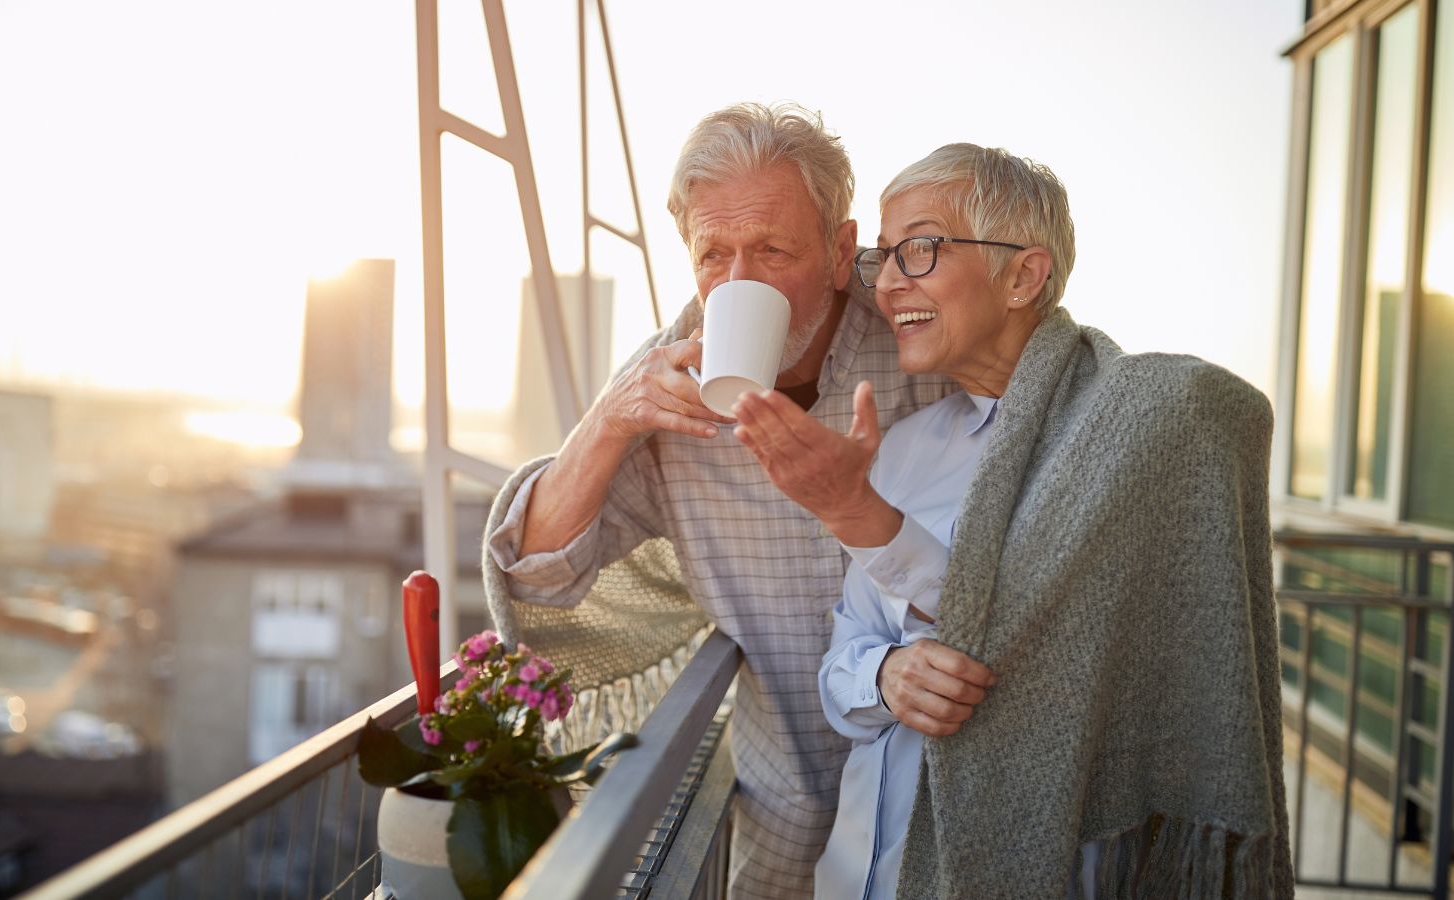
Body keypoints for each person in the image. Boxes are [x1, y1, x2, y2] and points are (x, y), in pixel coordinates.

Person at [733, 144, 1294, 898]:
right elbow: (840, 670)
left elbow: (1030, 641)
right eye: (884, 256)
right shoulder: (903, 448)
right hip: (862, 873)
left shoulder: (1132, 429)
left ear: (1024, 275)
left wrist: (854, 513)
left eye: (921, 249)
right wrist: (886, 673)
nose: (890, 281)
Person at [481, 104, 995, 898]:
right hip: (785, 806)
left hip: (950, 792)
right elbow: (537, 577)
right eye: (713, 255)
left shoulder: (917, 333)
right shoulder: (663, 384)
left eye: (771, 250)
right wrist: (611, 418)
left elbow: (1042, 422)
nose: (738, 282)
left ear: (838, 251)